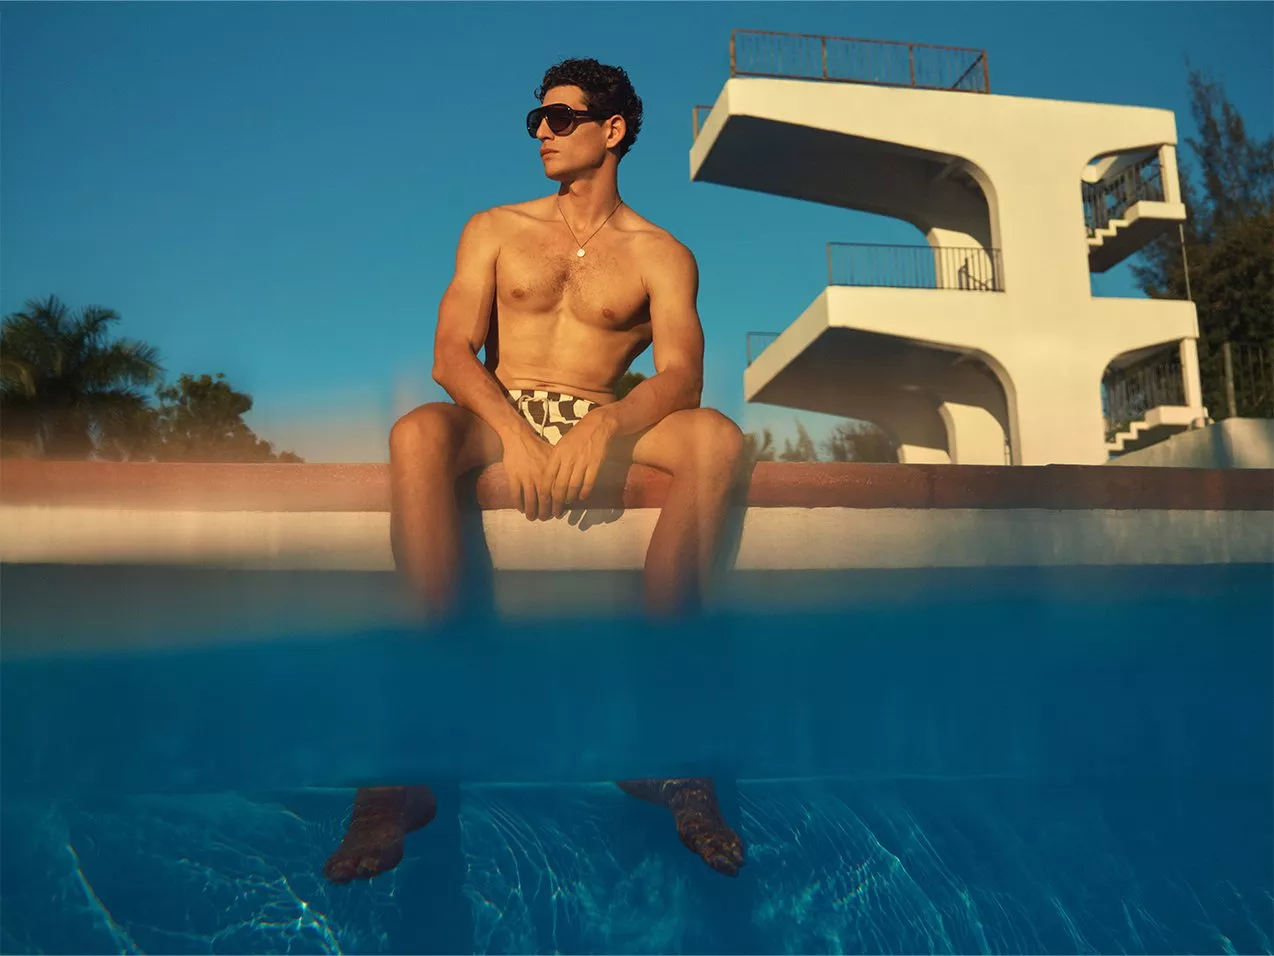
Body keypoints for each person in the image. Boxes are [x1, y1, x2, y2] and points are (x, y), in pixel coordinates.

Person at [324, 58, 746, 885]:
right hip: (499, 412)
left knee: (718, 441)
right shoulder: (494, 227)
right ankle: (404, 771)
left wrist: (612, 422)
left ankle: (666, 751)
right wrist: (513, 433)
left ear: (612, 131)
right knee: (416, 434)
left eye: (559, 119)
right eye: (536, 121)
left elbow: (681, 374)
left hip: (600, 412)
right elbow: (451, 355)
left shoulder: (662, 253)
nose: (541, 133)